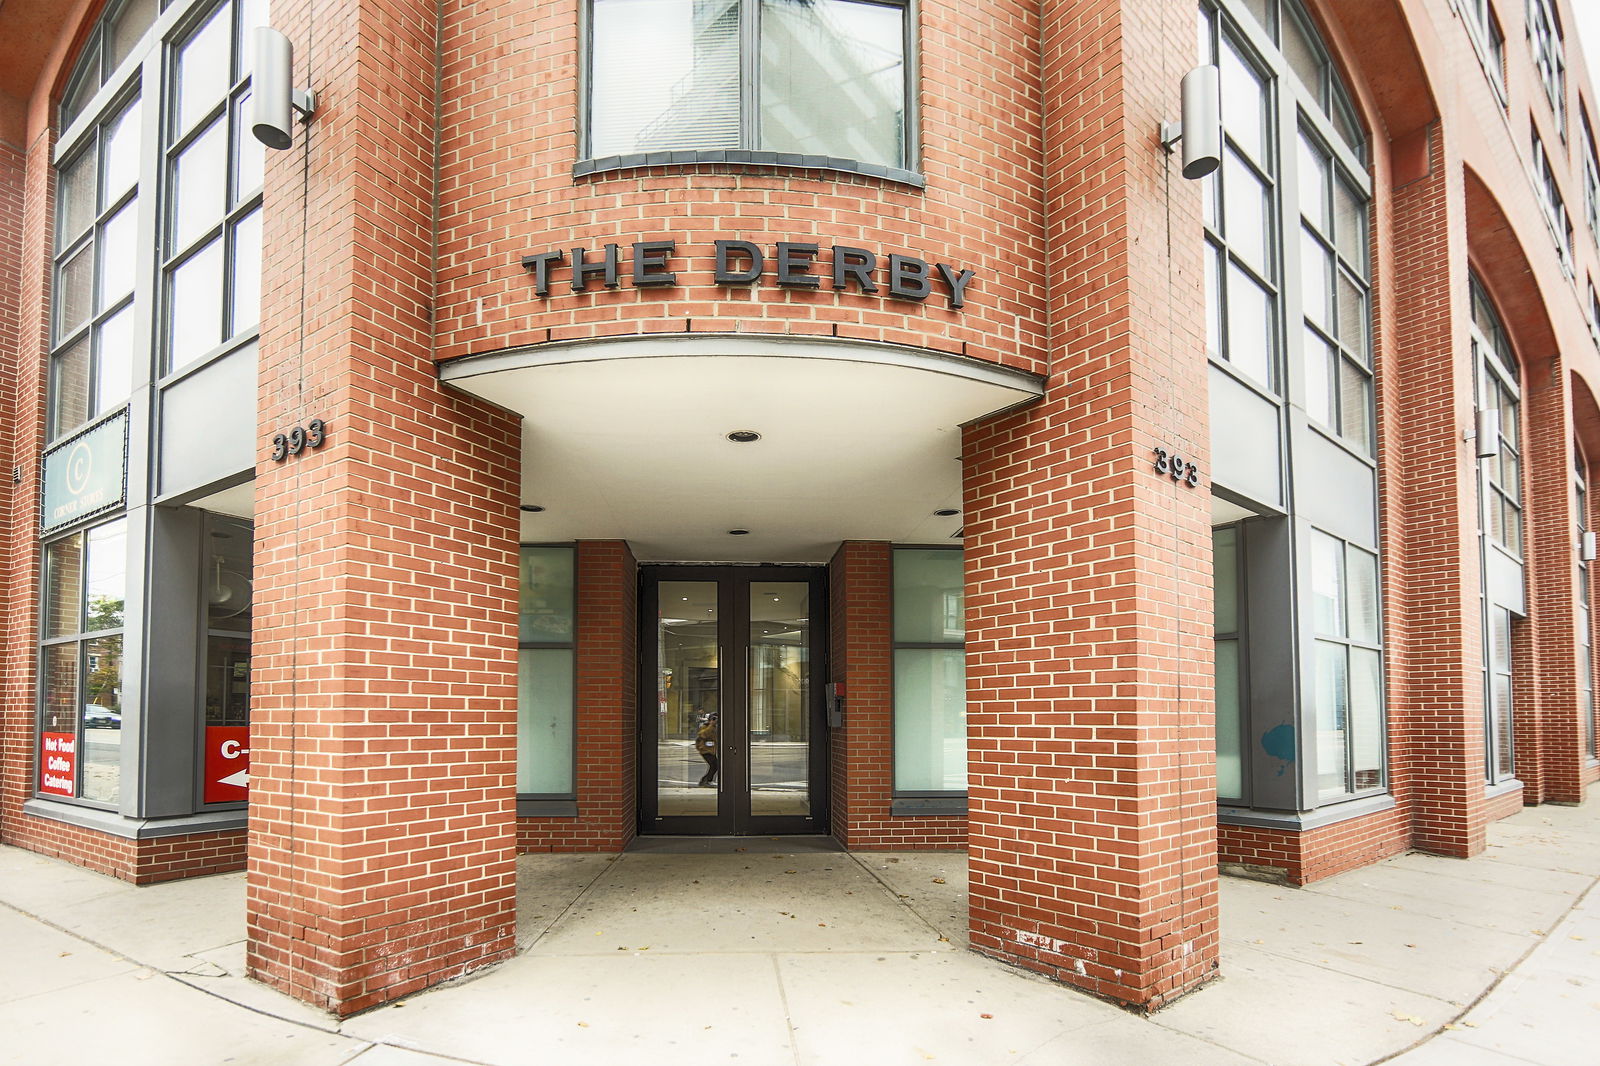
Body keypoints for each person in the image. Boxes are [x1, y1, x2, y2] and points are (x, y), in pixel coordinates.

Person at [694, 711, 719, 787]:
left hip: (712, 751)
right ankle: (706, 781)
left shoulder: (716, 727)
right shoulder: (705, 726)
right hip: (705, 750)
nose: (715, 720)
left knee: (715, 766)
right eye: (713, 718)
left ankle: (706, 781)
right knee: (714, 765)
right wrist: (711, 725)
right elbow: (704, 735)